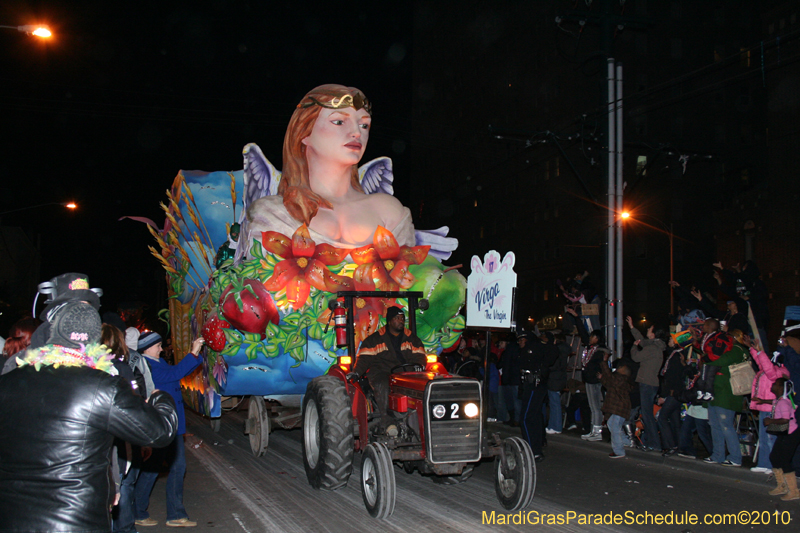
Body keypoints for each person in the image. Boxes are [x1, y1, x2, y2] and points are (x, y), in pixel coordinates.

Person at [0, 301, 178, 533]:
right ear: (95, 339)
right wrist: (160, 398)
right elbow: (159, 432)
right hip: (75, 520)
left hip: (12, 518)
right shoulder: (103, 385)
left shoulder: (8, 382)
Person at [247, 84, 414, 249]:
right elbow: (259, 273)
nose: (357, 132)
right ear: (304, 132)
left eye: (364, 125)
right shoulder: (273, 213)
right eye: (339, 122)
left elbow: (412, 272)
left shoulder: (388, 211)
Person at [134, 332, 205, 528]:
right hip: (162, 425)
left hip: (172, 425)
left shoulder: (158, 362)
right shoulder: (148, 366)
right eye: (157, 345)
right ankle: (144, 512)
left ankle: (168, 514)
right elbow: (174, 374)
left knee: (170, 468)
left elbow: (174, 372)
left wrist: (195, 354)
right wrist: (193, 353)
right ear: (147, 348)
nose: (161, 348)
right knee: (159, 469)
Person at [351, 306, 427, 435]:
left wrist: (419, 365)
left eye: (402, 318)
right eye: (397, 318)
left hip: (405, 373)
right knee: (382, 384)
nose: (401, 321)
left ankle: (422, 418)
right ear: (390, 321)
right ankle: (387, 420)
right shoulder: (374, 340)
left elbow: (420, 355)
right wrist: (357, 372)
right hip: (382, 371)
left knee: (423, 383)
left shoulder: (412, 339)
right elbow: (364, 359)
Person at [745, 333, 790, 474]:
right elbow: (761, 363)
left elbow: (769, 370)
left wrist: (759, 351)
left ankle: (773, 465)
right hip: (764, 407)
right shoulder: (768, 368)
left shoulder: (781, 371)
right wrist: (752, 349)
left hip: (773, 408)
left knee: (771, 438)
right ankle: (764, 463)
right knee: (764, 438)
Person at [704, 329, 747, 467]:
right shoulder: (731, 348)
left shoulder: (737, 349)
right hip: (717, 392)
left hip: (726, 393)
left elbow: (720, 361)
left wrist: (706, 358)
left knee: (726, 426)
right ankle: (718, 455)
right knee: (715, 425)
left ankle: (735, 457)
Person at [627, 316, 667, 451]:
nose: (648, 330)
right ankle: (652, 442)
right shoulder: (656, 346)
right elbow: (643, 342)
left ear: (654, 333)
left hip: (647, 383)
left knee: (647, 414)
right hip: (651, 383)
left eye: (649, 329)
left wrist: (633, 347)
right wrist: (632, 328)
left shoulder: (653, 348)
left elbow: (636, 357)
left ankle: (654, 444)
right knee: (647, 413)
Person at [569, 307, 609, 442]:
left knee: (596, 406)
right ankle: (593, 430)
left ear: (597, 338)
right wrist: (576, 317)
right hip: (588, 380)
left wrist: (601, 376)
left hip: (595, 381)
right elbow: (583, 332)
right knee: (592, 406)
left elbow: (603, 366)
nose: (590, 338)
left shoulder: (600, 351)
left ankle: (597, 431)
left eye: (593, 336)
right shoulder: (590, 348)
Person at [519, 329, 558, 462]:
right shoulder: (537, 348)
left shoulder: (535, 348)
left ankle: (532, 450)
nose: (520, 343)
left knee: (526, 418)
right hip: (535, 386)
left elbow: (550, 357)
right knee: (534, 416)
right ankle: (537, 446)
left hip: (534, 385)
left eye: (522, 340)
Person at [765, 377, 800, 501]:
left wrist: (770, 421)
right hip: (785, 433)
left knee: (784, 460)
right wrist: (761, 400)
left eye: (775, 384)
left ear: (780, 388)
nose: (772, 385)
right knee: (774, 457)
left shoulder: (783, 402)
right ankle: (782, 486)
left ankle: (794, 491)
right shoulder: (780, 400)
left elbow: (785, 419)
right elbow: (773, 403)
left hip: (790, 433)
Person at [598, 352, 633, 459]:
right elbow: (609, 383)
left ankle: (619, 451)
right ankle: (626, 442)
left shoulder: (621, 378)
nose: (617, 368)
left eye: (620, 367)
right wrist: (602, 378)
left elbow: (610, 379)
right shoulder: (620, 379)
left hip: (619, 407)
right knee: (612, 425)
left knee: (614, 427)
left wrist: (604, 363)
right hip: (619, 407)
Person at [546, 333, 569, 434]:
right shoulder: (564, 350)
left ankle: (556, 426)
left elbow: (555, 365)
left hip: (554, 379)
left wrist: (547, 367)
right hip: (558, 379)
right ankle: (553, 425)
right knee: (555, 403)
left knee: (554, 404)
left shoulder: (557, 350)